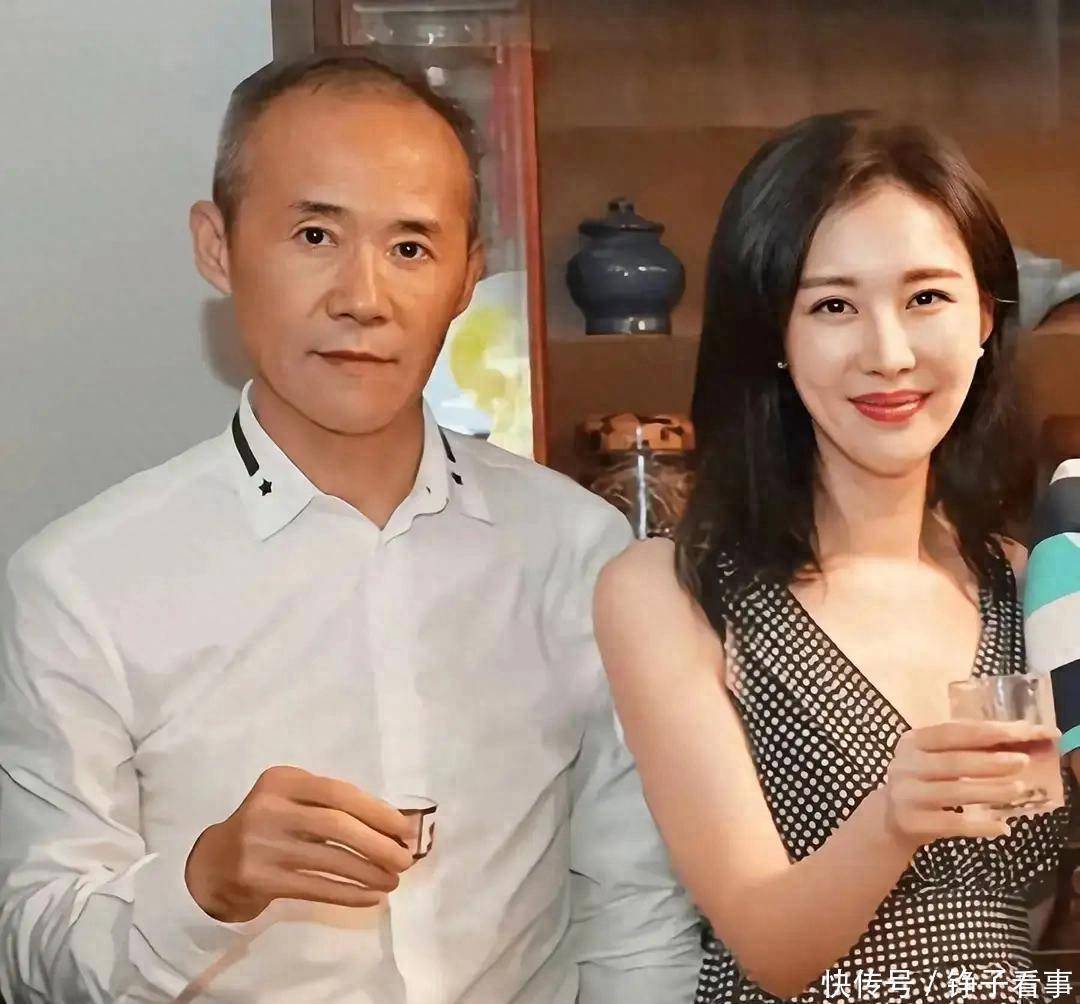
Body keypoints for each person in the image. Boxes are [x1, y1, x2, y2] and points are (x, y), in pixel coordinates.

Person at [0, 53, 701, 1003]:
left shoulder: (577, 550)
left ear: (468, 273)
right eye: (315, 234)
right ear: (217, 245)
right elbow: (35, 950)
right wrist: (204, 886)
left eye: (410, 248)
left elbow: (634, 914)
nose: (363, 297)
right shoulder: (82, 583)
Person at [594, 111, 1071, 1003]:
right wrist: (892, 819)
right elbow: (770, 949)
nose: (888, 355)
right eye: (833, 306)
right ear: (773, 335)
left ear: (985, 317)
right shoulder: (671, 591)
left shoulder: (1027, 581)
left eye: (926, 298)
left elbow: (1030, 914)